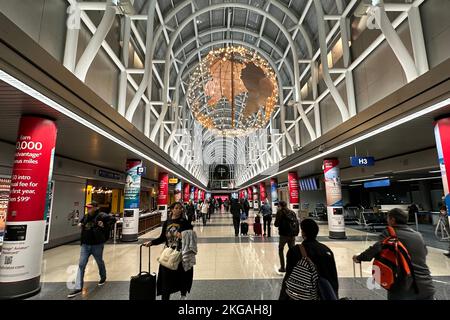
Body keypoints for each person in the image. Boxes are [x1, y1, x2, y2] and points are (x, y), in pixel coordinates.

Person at [353, 208, 435, 300]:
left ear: (392, 219)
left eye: (388, 218)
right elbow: (424, 253)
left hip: (403, 287)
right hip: (426, 285)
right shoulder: (418, 235)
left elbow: (375, 250)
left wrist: (359, 258)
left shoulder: (390, 234)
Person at [144, 202, 194, 300]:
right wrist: (152, 242)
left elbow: (191, 236)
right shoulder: (167, 222)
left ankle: (183, 294)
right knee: (165, 278)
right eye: (176, 208)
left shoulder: (185, 222)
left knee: (182, 276)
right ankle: (165, 296)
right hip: (168, 253)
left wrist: (183, 235)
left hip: (181, 254)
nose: (179, 210)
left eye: (180, 208)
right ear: (171, 209)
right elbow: (162, 237)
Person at [279, 219, 338, 300]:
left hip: (303, 295)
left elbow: (289, 276)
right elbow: (332, 278)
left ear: (303, 233)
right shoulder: (326, 250)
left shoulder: (295, 251)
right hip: (322, 295)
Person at [67, 201, 117, 298]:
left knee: (99, 261)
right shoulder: (86, 216)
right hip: (85, 245)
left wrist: (104, 225)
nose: (88, 209)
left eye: (90, 207)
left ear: (96, 208)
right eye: (87, 207)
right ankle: (78, 287)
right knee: (81, 265)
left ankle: (103, 276)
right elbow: (82, 222)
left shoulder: (101, 215)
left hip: (97, 245)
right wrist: (80, 224)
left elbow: (113, 219)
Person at [274, 201, 297, 273]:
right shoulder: (292, 212)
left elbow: (276, 224)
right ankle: (292, 267)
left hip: (283, 235)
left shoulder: (280, 212)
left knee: (281, 249)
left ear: (280, 205)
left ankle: (283, 267)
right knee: (292, 251)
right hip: (292, 234)